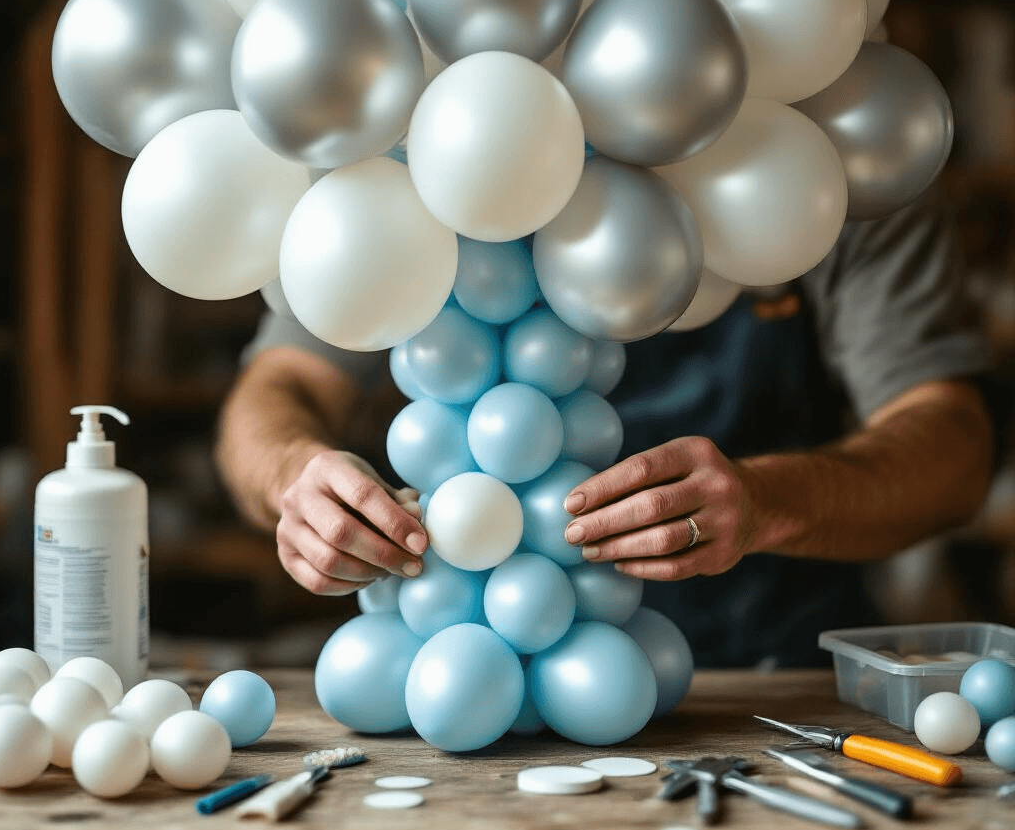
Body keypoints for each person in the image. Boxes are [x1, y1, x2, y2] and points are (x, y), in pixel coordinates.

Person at [215, 185, 995, 667]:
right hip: (459, 675)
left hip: (771, 677)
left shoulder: (822, 135)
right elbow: (276, 390)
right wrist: (293, 473)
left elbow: (955, 447)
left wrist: (769, 496)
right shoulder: (411, 155)